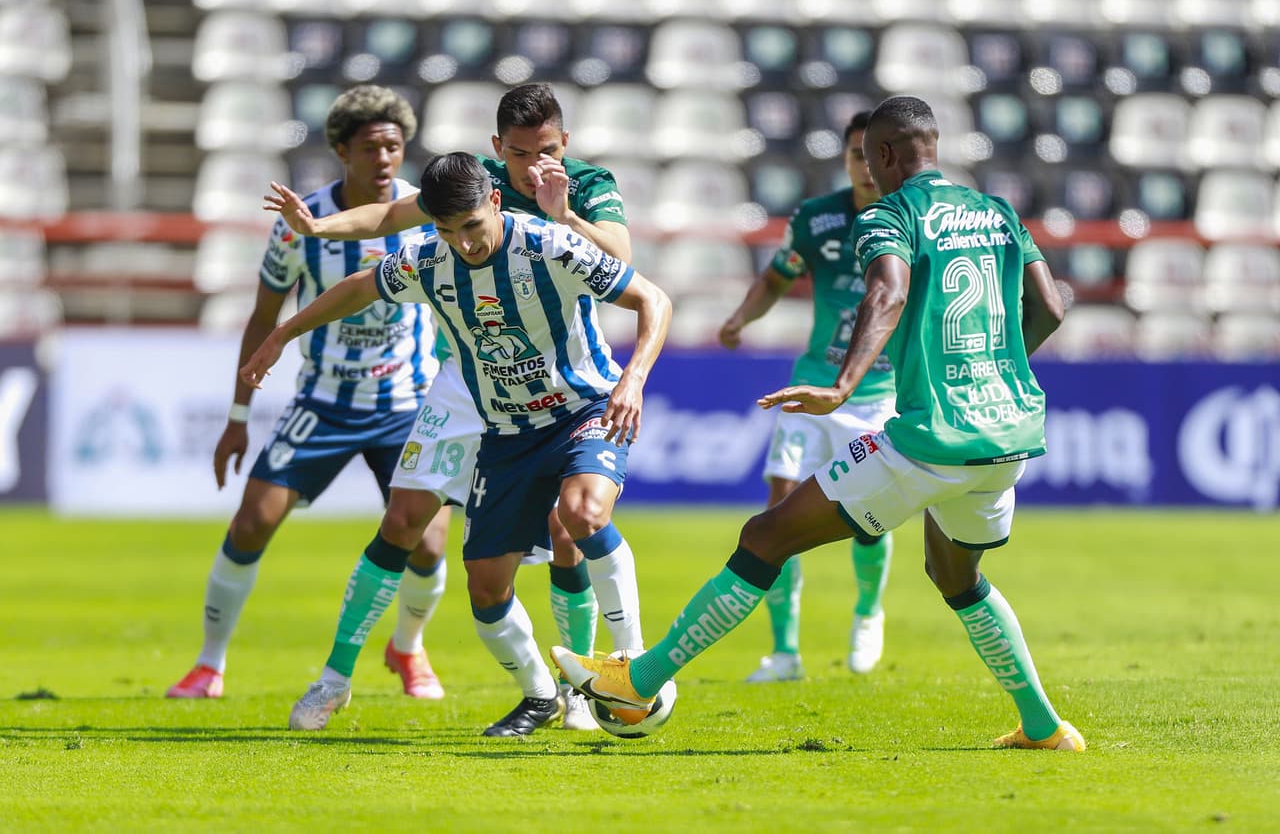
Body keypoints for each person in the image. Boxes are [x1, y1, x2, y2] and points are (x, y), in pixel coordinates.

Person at [553, 95, 1085, 752]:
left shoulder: (892, 213)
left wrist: (842, 385)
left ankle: (641, 680)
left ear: (883, 155)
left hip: (933, 440)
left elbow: (885, 292)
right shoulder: (998, 211)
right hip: (1006, 437)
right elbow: (1053, 308)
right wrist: (990, 371)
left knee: (767, 534)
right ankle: (1043, 726)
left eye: (869, 159)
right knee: (958, 578)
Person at [246, 152, 671, 737]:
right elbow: (359, 287)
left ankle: (633, 667)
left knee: (580, 514)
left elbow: (654, 299)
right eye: (448, 231)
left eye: (471, 226)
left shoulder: (552, 246)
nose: (464, 244)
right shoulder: (428, 259)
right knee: (485, 587)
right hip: (504, 430)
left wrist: (634, 380)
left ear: (494, 202)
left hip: (580, 410)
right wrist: (283, 334)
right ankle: (541, 696)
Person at [166, 85, 448, 701]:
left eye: (394, 147)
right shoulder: (299, 227)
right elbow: (263, 317)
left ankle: (408, 648)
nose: (384, 160)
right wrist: (238, 416)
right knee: (250, 524)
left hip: (406, 407)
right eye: (371, 147)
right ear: (342, 150)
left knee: (427, 541)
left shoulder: (426, 213)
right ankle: (209, 664)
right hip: (321, 404)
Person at [719, 111, 896, 682]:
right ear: (844, 159)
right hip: (811, 383)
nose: (863, 168)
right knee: (778, 512)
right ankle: (785, 651)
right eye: (853, 156)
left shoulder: (913, 220)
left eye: (873, 157)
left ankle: (869, 612)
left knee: (869, 519)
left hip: (877, 395)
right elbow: (777, 275)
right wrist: (741, 317)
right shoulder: (818, 220)